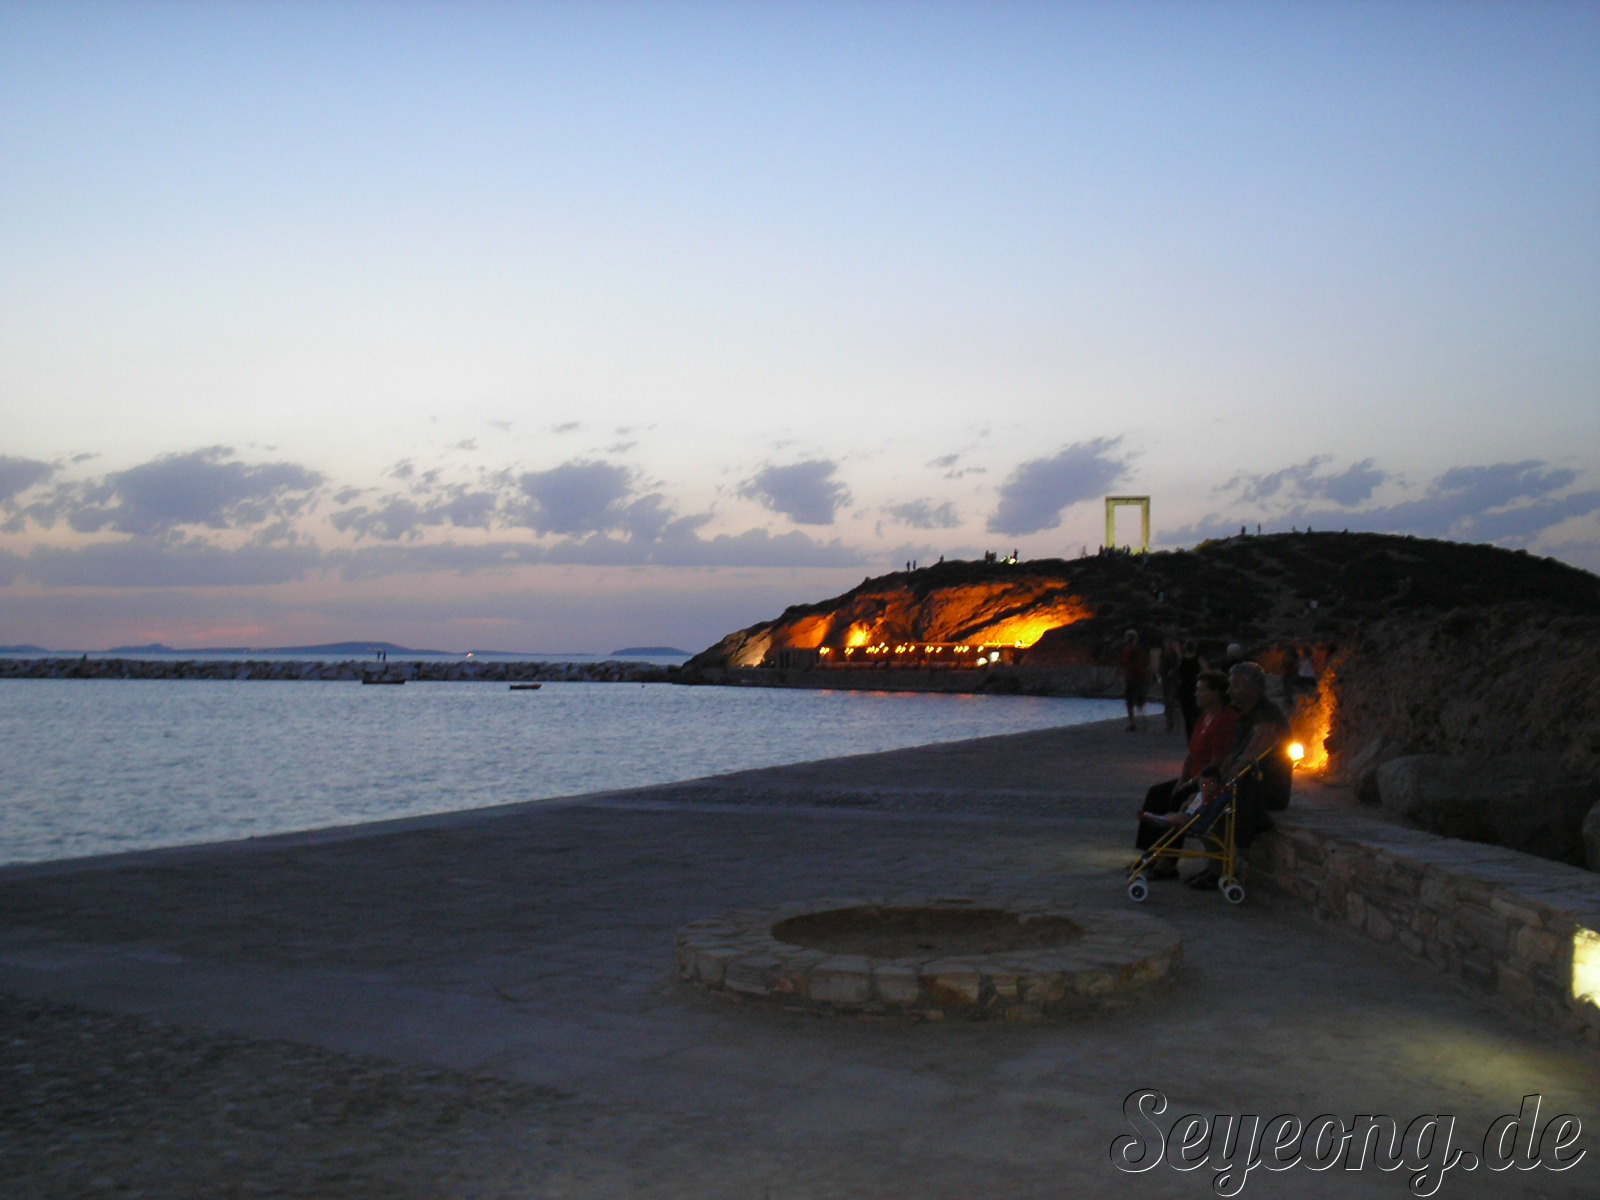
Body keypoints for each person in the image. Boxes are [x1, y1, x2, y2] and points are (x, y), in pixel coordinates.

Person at [1187, 661, 1292, 890]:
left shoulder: (1266, 715)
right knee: (1201, 801)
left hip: (1265, 787)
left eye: (1234, 685)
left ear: (1251, 688)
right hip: (1248, 783)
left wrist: (1218, 786)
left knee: (1211, 807)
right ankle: (1215, 866)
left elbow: (1250, 754)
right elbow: (1234, 757)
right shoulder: (1245, 715)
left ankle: (1220, 869)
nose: (1229, 691)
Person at [1134, 669, 1239, 876]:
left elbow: (1218, 761)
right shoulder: (1203, 718)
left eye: (1201, 690)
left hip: (1207, 781)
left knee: (1177, 799)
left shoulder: (1225, 720)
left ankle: (1167, 862)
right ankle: (1151, 852)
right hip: (1192, 777)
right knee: (1156, 793)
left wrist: (1191, 783)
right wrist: (1183, 779)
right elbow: (1191, 754)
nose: (1196, 694)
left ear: (1216, 693)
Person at [1117, 629, 1149, 731]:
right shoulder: (1140, 650)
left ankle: (1135, 721)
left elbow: (1123, 661)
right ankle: (1137, 720)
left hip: (1133, 677)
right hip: (1137, 677)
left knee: (1132, 701)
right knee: (1136, 700)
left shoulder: (1129, 650)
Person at [1176, 638, 1202, 738]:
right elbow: (1206, 671)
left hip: (1184, 688)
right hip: (1195, 687)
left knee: (1186, 715)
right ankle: (1197, 734)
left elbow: (1178, 674)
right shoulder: (1198, 659)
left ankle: (1190, 736)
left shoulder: (1182, 660)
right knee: (1196, 713)